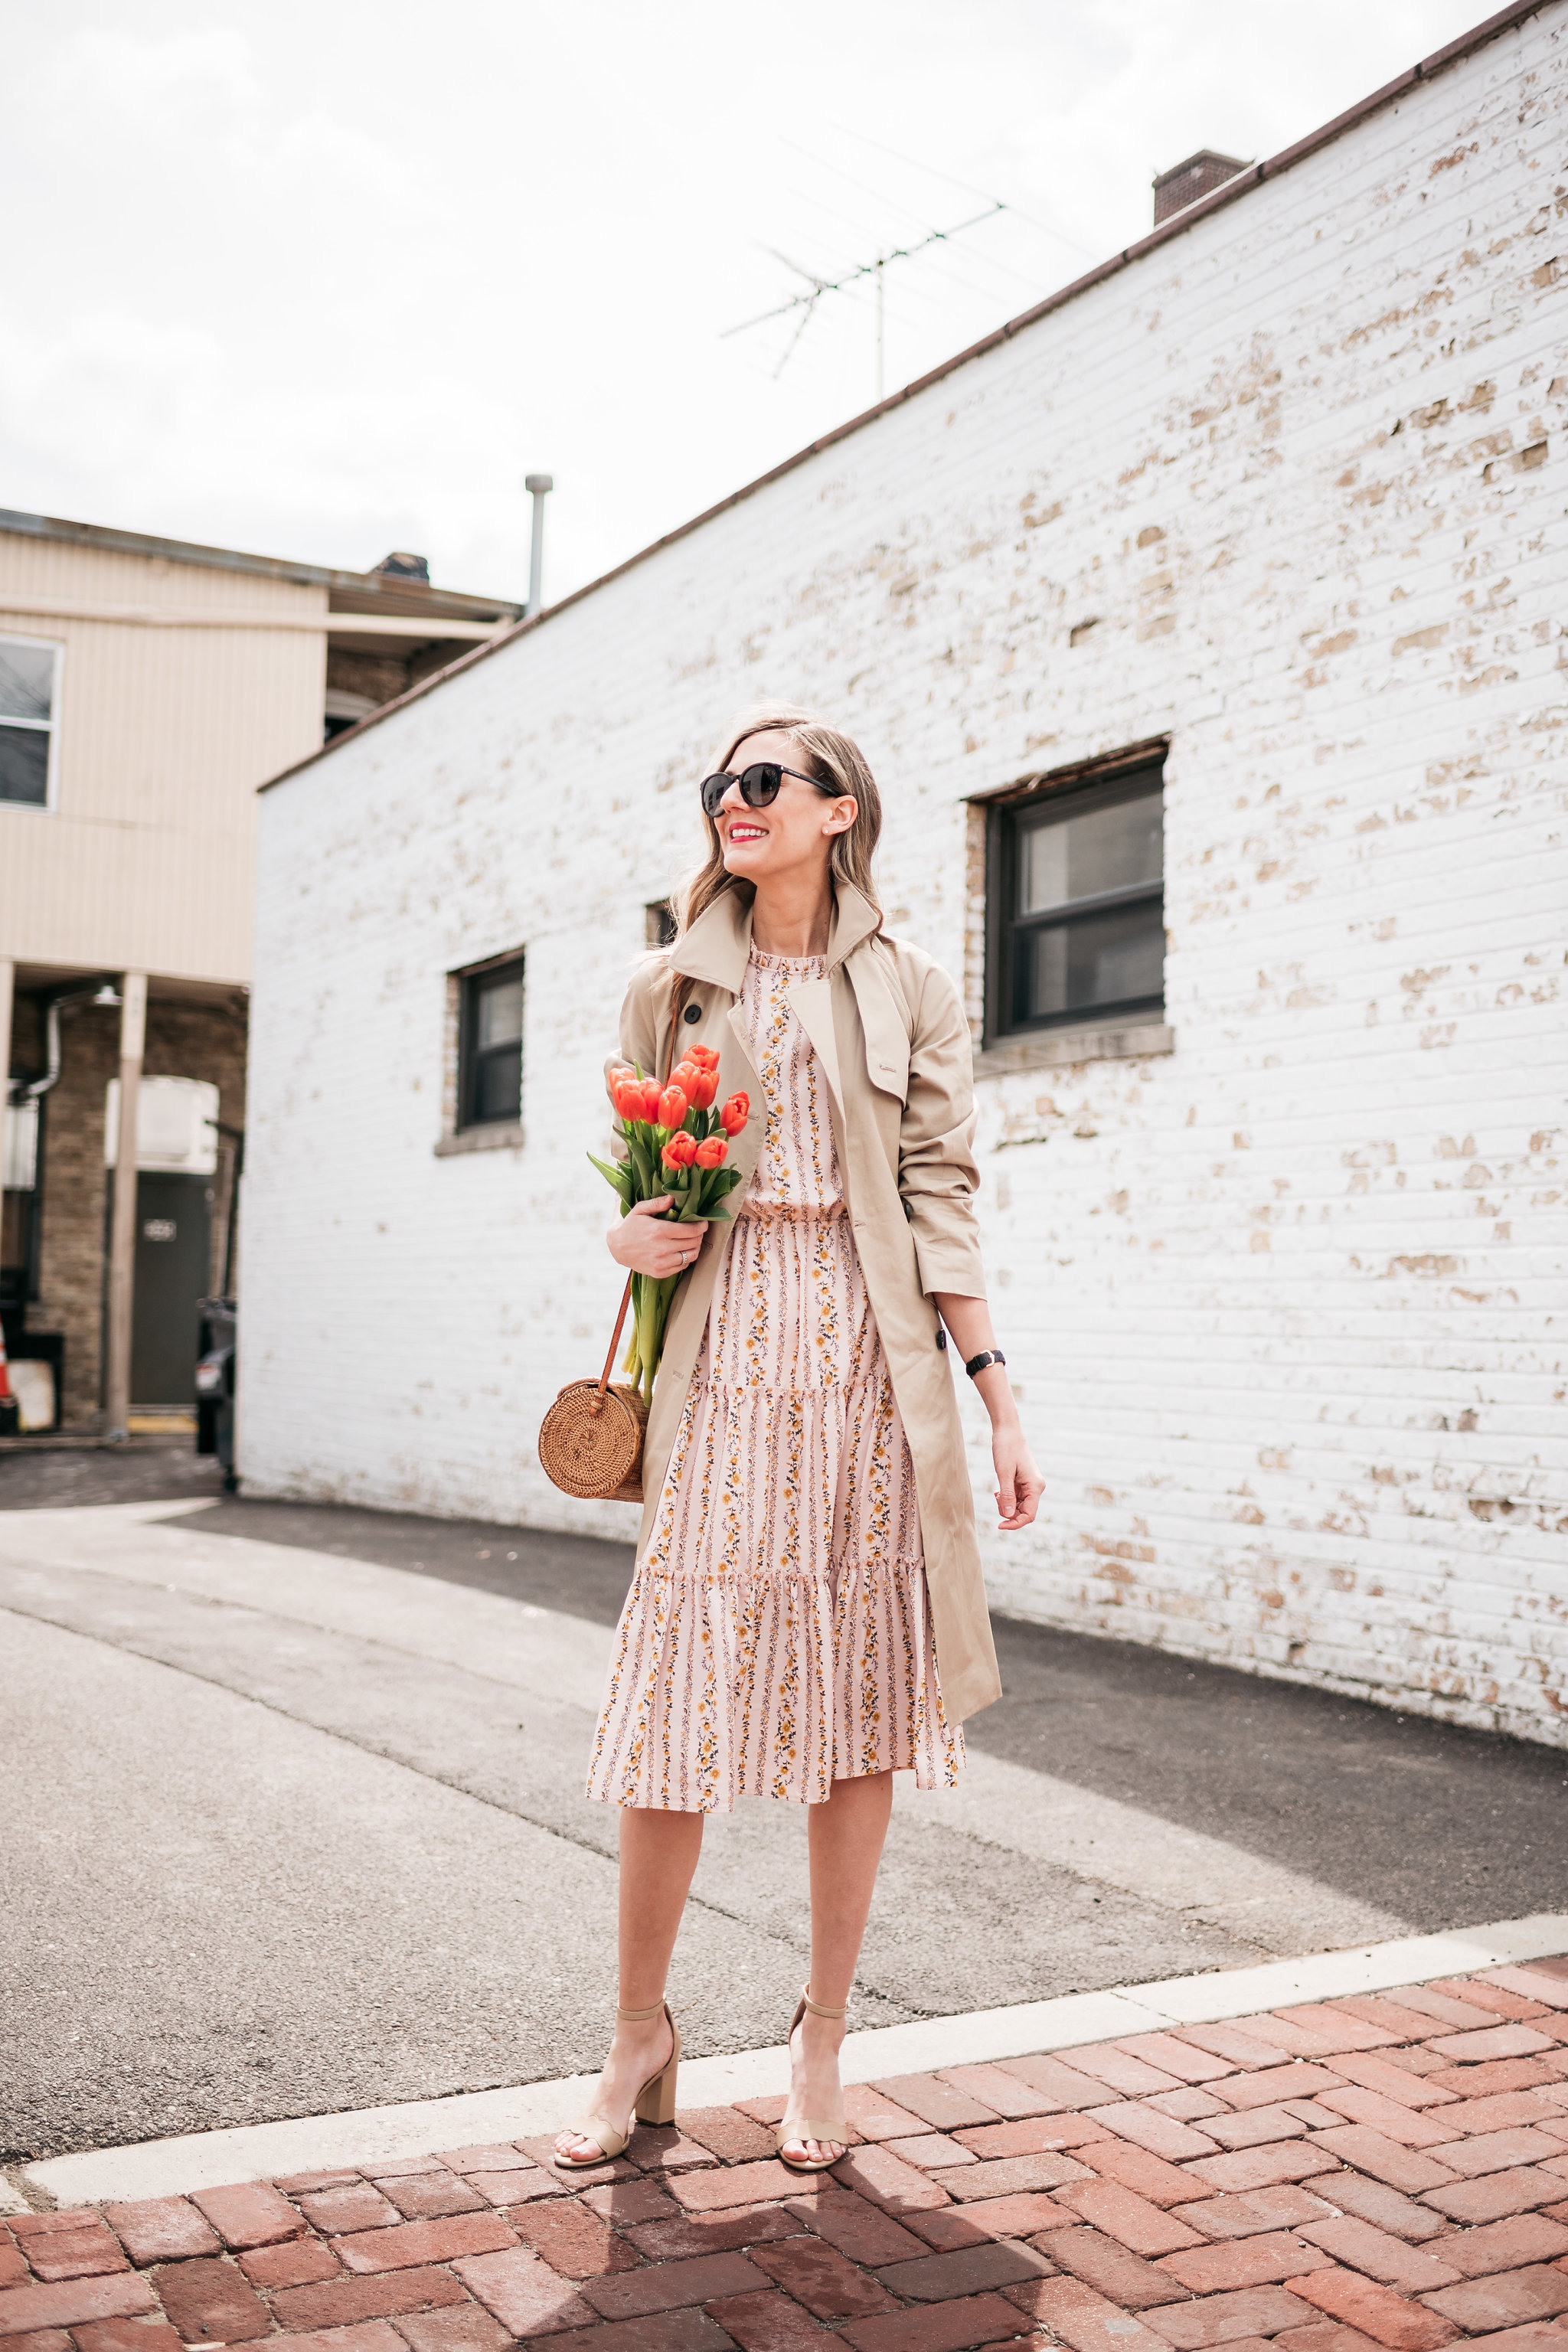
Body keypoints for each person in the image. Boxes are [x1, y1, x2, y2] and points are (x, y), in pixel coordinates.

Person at [555, 704, 1043, 2174]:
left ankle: (821, 2034)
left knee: (859, 1707)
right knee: (673, 1708)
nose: (734, 800)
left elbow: (940, 1191)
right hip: (717, 1365)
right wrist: (631, 1233)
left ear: (841, 812)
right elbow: (644, 1178)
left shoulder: (911, 988)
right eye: (722, 782)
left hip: (864, 1365)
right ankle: (638, 2032)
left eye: (765, 781)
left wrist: (1000, 1397)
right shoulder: (670, 982)